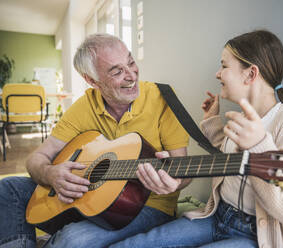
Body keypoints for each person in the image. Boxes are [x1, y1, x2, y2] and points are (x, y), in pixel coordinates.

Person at [112, 30, 283, 248]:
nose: (218, 74)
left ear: (250, 74)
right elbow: (233, 164)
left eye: (224, 66)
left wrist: (259, 147)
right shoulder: (240, 119)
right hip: (217, 217)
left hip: (258, 237)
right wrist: (213, 124)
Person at [0, 33, 191, 248]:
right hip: (89, 199)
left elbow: (182, 169)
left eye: (131, 62)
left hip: (147, 206)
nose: (131, 75)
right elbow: (37, 157)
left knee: (72, 240)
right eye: (117, 71)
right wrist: (50, 174)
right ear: (91, 80)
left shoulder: (163, 98)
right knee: (8, 188)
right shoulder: (84, 106)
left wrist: (175, 183)